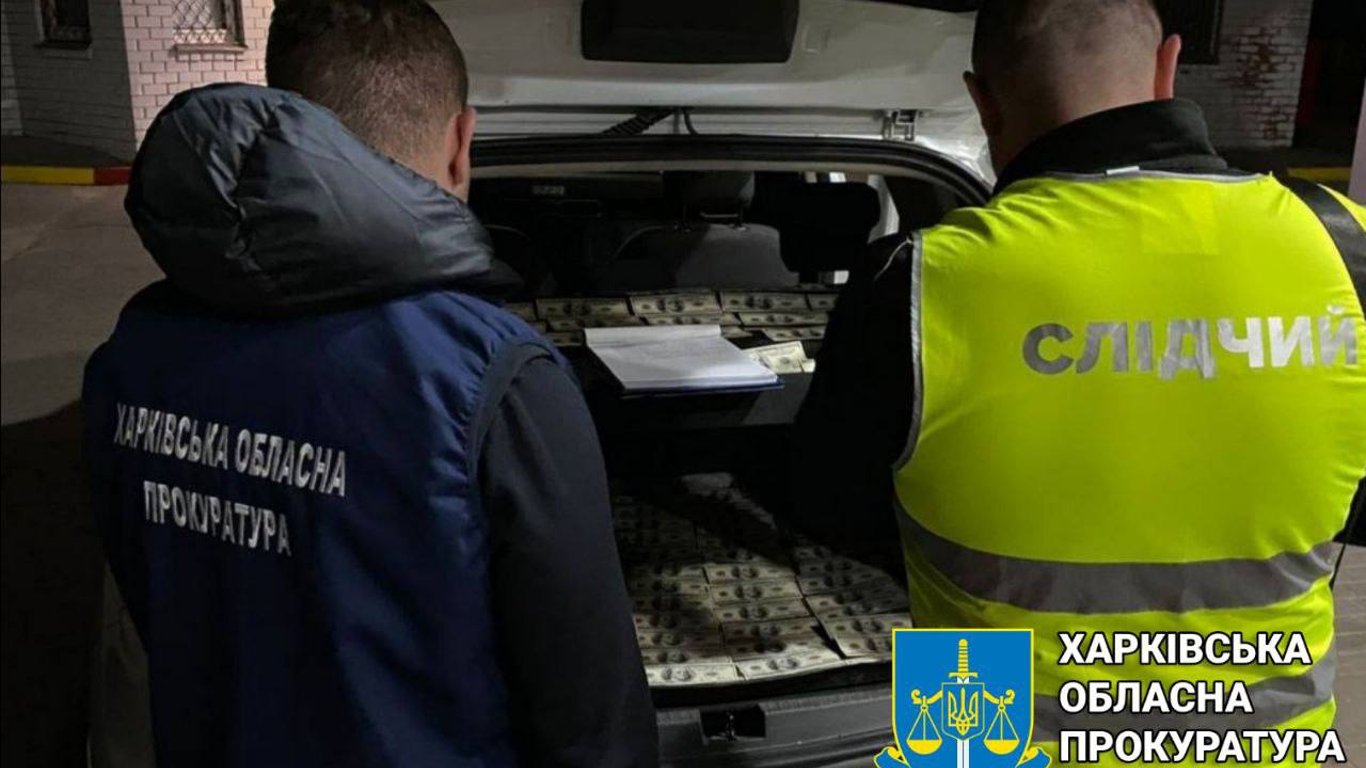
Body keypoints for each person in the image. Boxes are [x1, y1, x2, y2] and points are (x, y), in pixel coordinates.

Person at [81, 1, 657, 765]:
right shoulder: (493, 377)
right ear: (461, 142)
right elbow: (592, 720)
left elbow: (150, 607)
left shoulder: (135, 351)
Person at [793, 0, 1366, 750]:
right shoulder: (1343, 245)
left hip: (986, 740)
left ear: (983, 101)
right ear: (1168, 66)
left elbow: (824, 506)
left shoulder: (915, 282)